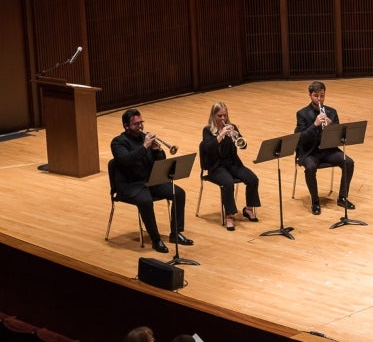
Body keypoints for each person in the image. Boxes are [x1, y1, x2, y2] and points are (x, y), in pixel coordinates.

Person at [110, 108, 192, 254]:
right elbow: (126, 161)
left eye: (141, 122)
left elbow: (160, 163)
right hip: (130, 185)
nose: (140, 126)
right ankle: (156, 240)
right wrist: (145, 146)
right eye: (136, 124)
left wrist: (157, 151)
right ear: (126, 126)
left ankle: (176, 233)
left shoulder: (144, 138)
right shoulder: (118, 143)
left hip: (149, 181)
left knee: (178, 193)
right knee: (146, 201)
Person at [294, 81, 356, 215]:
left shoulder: (331, 112)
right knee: (310, 168)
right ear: (310, 95)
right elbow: (300, 138)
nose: (319, 99)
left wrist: (331, 125)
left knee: (349, 162)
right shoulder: (302, 114)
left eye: (322, 96)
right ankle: (315, 201)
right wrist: (315, 124)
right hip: (310, 152)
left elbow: (339, 137)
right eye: (316, 96)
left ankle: (342, 197)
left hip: (328, 150)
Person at [200, 102, 261, 231]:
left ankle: (248, 209)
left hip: (233, 164)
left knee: (253, 179)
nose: (223, 119)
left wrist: (235, 135)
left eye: (225, 116)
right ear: (213, 115)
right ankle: (229, 215)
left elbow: (243, 146)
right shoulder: (207, 130)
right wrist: (221, 135)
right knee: (228, 183)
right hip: (216, 167)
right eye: (219, 116)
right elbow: (208, 149)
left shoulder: (231, 126)